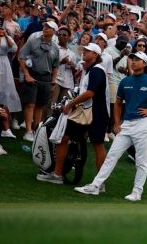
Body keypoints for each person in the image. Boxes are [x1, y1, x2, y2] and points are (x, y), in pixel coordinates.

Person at [74, 51, 147, 201]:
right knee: (111, 156)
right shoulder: (125, 81)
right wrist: (116, 122)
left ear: (144, 63)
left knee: (141, 161)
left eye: (137, 59)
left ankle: (137, 192)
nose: (133, 61)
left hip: (143, 124)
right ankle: (96, 186)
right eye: (132, 59)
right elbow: (118, 104)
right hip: (127, 124)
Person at [37, 43, 108, 184]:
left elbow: (90, 93)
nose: (84, 52)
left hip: (96, 114)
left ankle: (100, 182)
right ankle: (57, 175)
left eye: (88, 51)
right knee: (64, 138)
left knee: (97, 145)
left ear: (95, 55)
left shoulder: (97, 70)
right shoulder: (89, 70)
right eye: (84, 50)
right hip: (84, 112)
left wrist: (70, 104)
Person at [17, 20, 61, 140]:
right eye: (45, 26)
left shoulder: (56, 48)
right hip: (32, 74)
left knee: (40, 105)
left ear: (54, 31)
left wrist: (53, 80)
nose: (45, 28)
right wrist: (26, 74)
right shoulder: (33, 41)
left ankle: (36, 129)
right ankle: (28, 131)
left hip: (46, 78)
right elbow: (21, 57)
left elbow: (56, 66)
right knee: (30, 104)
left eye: (49, 27)